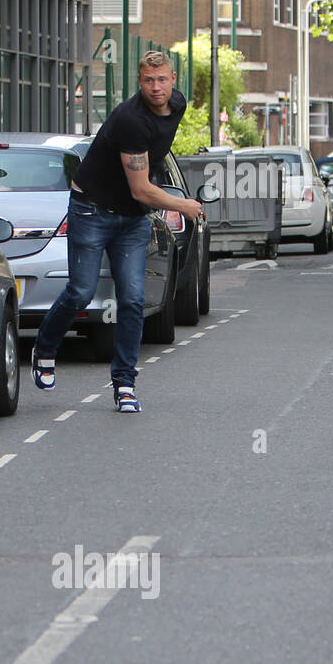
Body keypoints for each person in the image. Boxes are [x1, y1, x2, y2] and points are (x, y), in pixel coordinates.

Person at [29, 50, 202, 413]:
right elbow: (141, 188)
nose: (157, 87)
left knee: (133, 300)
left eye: (163, 80)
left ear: (173, 81)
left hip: (132, 218)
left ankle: (125, 385)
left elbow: (141, 187)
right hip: (92, 209)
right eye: (148, 81)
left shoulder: (178, 105)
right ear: (139, 83)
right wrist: (182, 204)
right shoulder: (130, 120)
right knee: (80, 292)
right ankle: (44, 349)